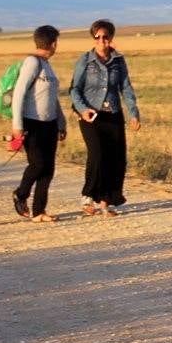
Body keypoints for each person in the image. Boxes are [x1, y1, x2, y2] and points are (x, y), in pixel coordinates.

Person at [69, 19, 141, 217]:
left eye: (106, 36)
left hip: (113, 114)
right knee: (97, 155)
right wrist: (82, 109)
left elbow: (125, 88)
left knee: (116, 159)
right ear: (93, 38)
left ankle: (105, 202)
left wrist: (133, 113)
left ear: (111, 37)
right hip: (91, 116)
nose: (102, 40)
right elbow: (74, 89)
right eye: (98, 36)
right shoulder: (85, 60)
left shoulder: (118, 61)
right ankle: (88, 196)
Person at [10, 25, 66, 223]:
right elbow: (19, 93)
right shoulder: (32, 62)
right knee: (38, 164)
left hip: (49, 124)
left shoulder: (47, 64)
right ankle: (21, 194)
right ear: (53, 44)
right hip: (31, 123)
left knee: (48, 169)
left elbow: (51, 97)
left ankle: (39, 211)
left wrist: (61, 121)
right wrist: (17, 124)